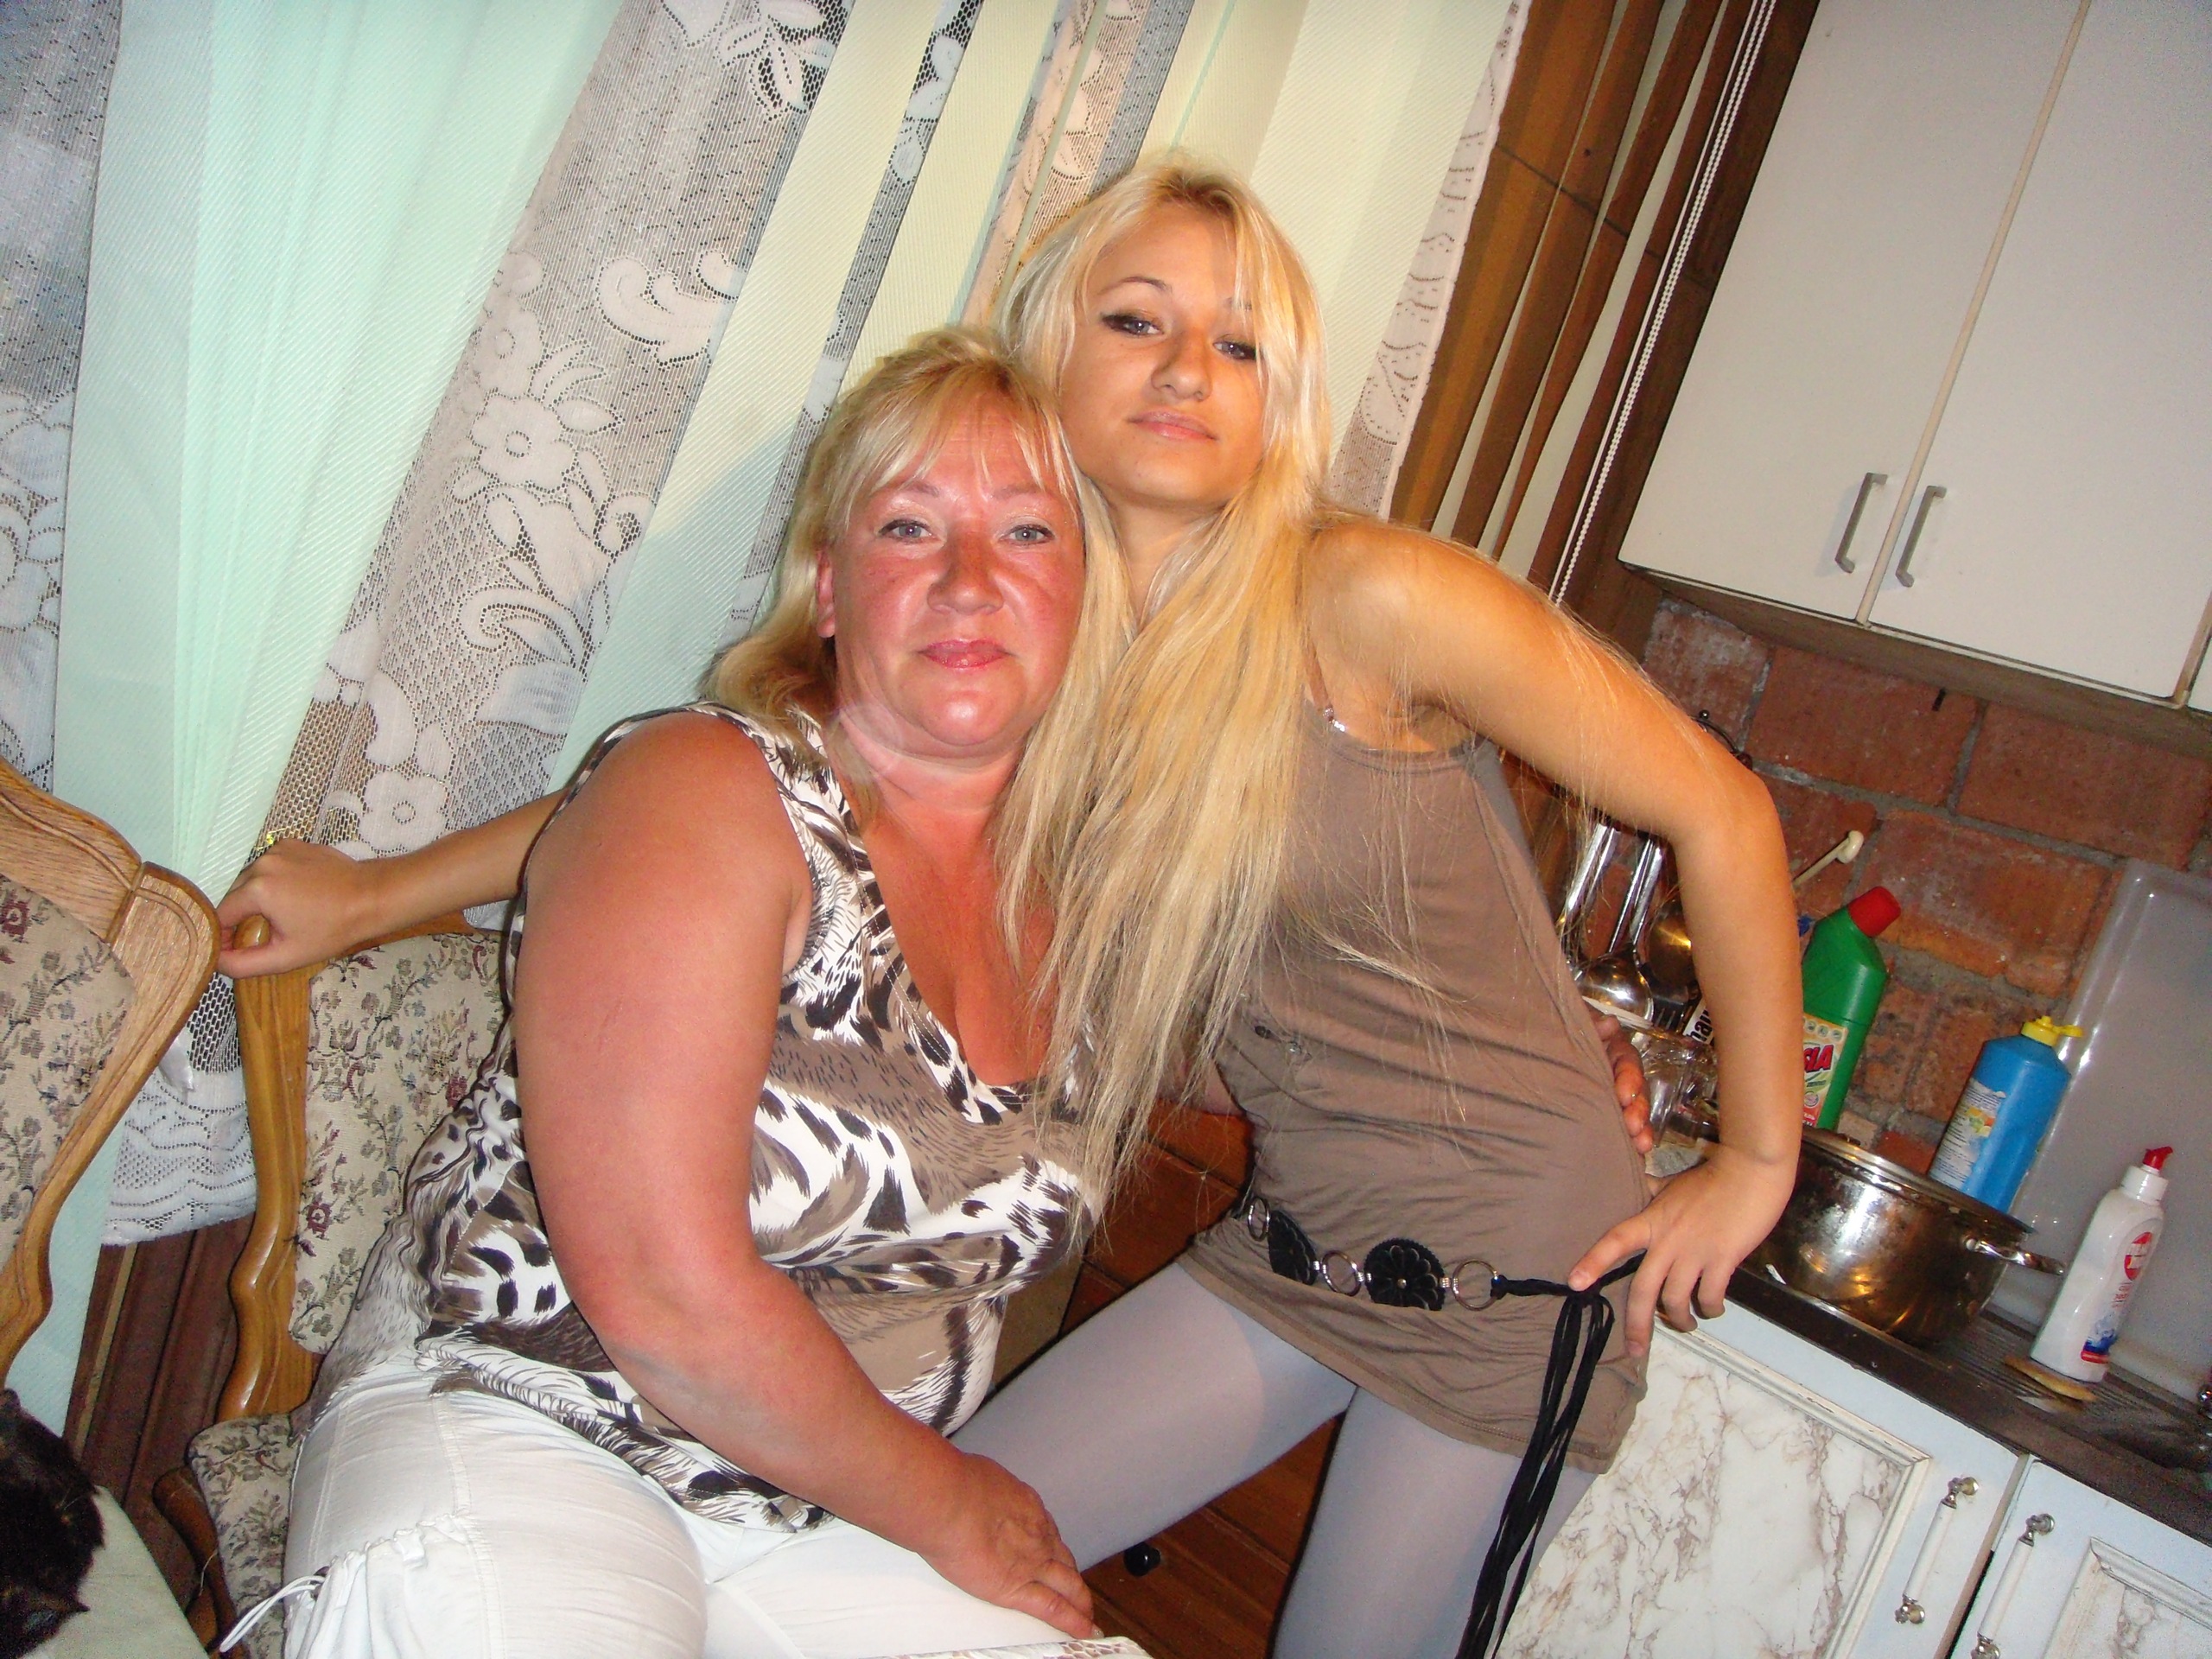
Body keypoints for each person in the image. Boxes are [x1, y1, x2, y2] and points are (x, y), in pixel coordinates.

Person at [226, 160, 1801, 1659]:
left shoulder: (1365, 597)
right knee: (946, 1538)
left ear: (1284, 401)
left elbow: (1722, 811)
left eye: (1239, 343)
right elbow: (726, 798)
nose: (1186, 369)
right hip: (1298, 1244)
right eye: (1138, 319)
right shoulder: (1052, 652)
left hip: (1518, 1277)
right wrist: (374, 894)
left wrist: (1751, 1160)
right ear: (1056, 352)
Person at [262, 330, 1116, 1659]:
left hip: (824, 1506)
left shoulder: (1079, 897)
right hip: (535, 1419)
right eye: (908, 527)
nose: (967, 580)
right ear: (828, 592)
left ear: (1082, 596)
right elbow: (660, 1290)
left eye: (1026, 533)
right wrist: (950, 1502)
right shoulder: (702, 790)